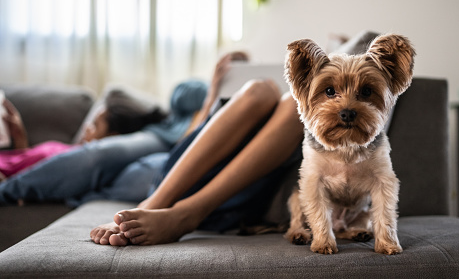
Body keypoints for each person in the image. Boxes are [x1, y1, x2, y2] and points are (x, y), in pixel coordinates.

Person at [0, 52, 246, 205]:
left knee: (147, 179)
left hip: (186, 152)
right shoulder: (199, 92)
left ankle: (76, 193)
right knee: (98, 155)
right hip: (160, 139)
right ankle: (8, 192)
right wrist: (214, 90)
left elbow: (201, 141)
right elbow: (178, 95)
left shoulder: (245, 111)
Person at [90, 78, 304, 246]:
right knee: (259, 89)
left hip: (238, 189)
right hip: (184, 176)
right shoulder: (177, 114)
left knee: (297, 104)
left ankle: (186, 214)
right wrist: (215, 90)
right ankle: (152, 205)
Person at [0, 89, 166, 180]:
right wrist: (20, 138)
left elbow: (30, 178)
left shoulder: (75, 165)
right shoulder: (69, 151)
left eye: (95, 125)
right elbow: (22, 164)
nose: (86, 127)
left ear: (112, 138)